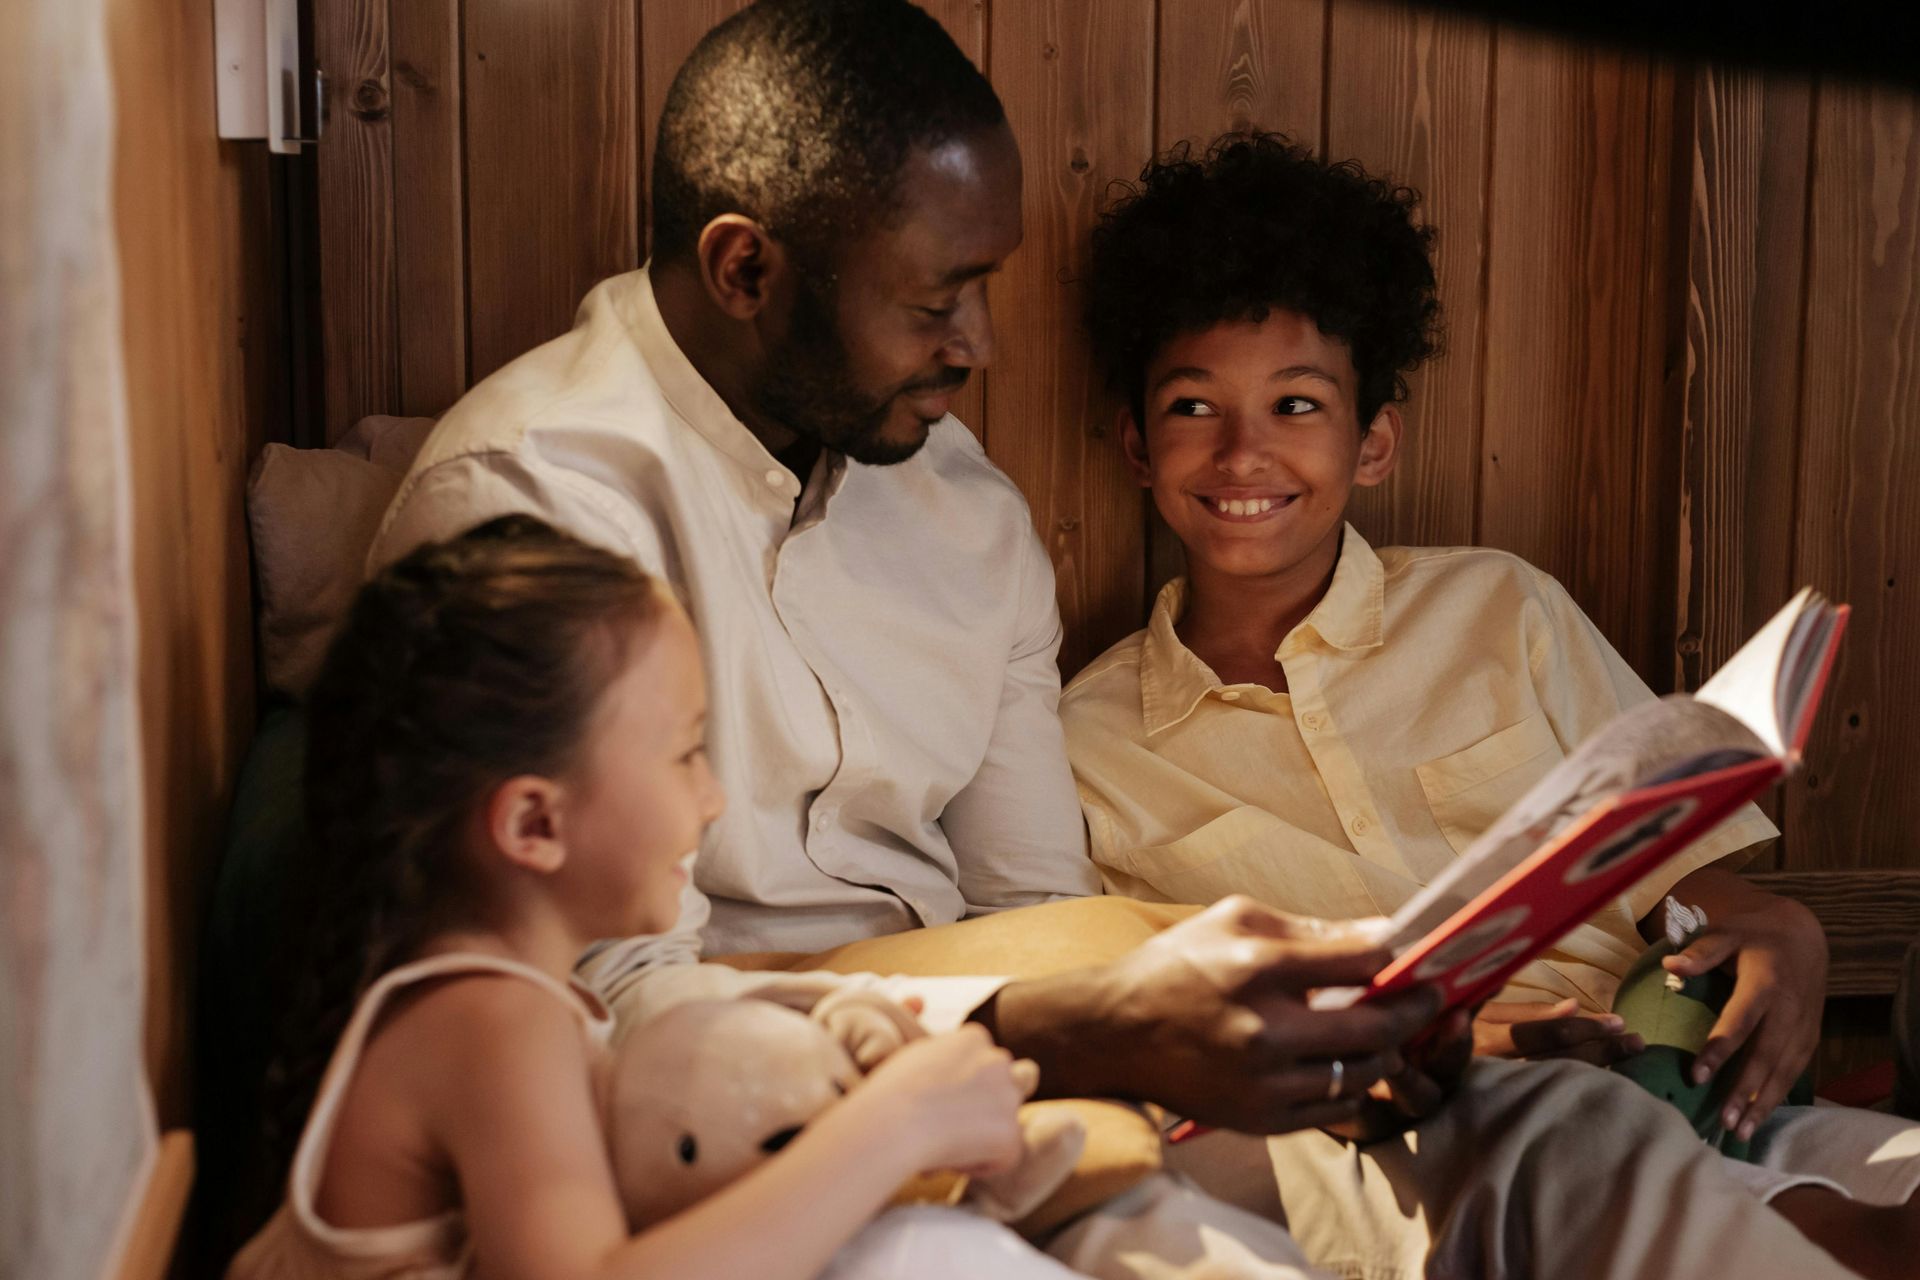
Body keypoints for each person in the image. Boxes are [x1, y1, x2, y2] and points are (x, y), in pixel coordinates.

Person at [368, 2, 1886, 1276]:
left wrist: (1199, 1015)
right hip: (778, 1105)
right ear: (748, 269)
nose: (979, 347)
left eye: (987, 289)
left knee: (1544, 1131)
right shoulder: (534, 501)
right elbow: (605, 1007)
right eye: (939, 297)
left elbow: (1034, 898)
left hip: (1027, 1074)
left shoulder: (961, 509)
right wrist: (1085, 1023)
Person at [1060, 129, 1920, 1278]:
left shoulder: (1500, 606)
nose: (1244, 451)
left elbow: (1680, 872)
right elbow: (1186, 1029)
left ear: (1373, 442)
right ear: (1136, 444)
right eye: (1192, 407)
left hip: (1681, 1077)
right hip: (1427, 1138)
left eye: (1297, 404)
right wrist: (1489, 1039)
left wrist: (1782, 928)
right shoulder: (1090, 741)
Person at [234, 515, 1096, 1280]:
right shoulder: (491, 1019)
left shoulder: (508, 1005)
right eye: (686, 753)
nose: (712, 798)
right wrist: (893, 1126)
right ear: (535, 822)